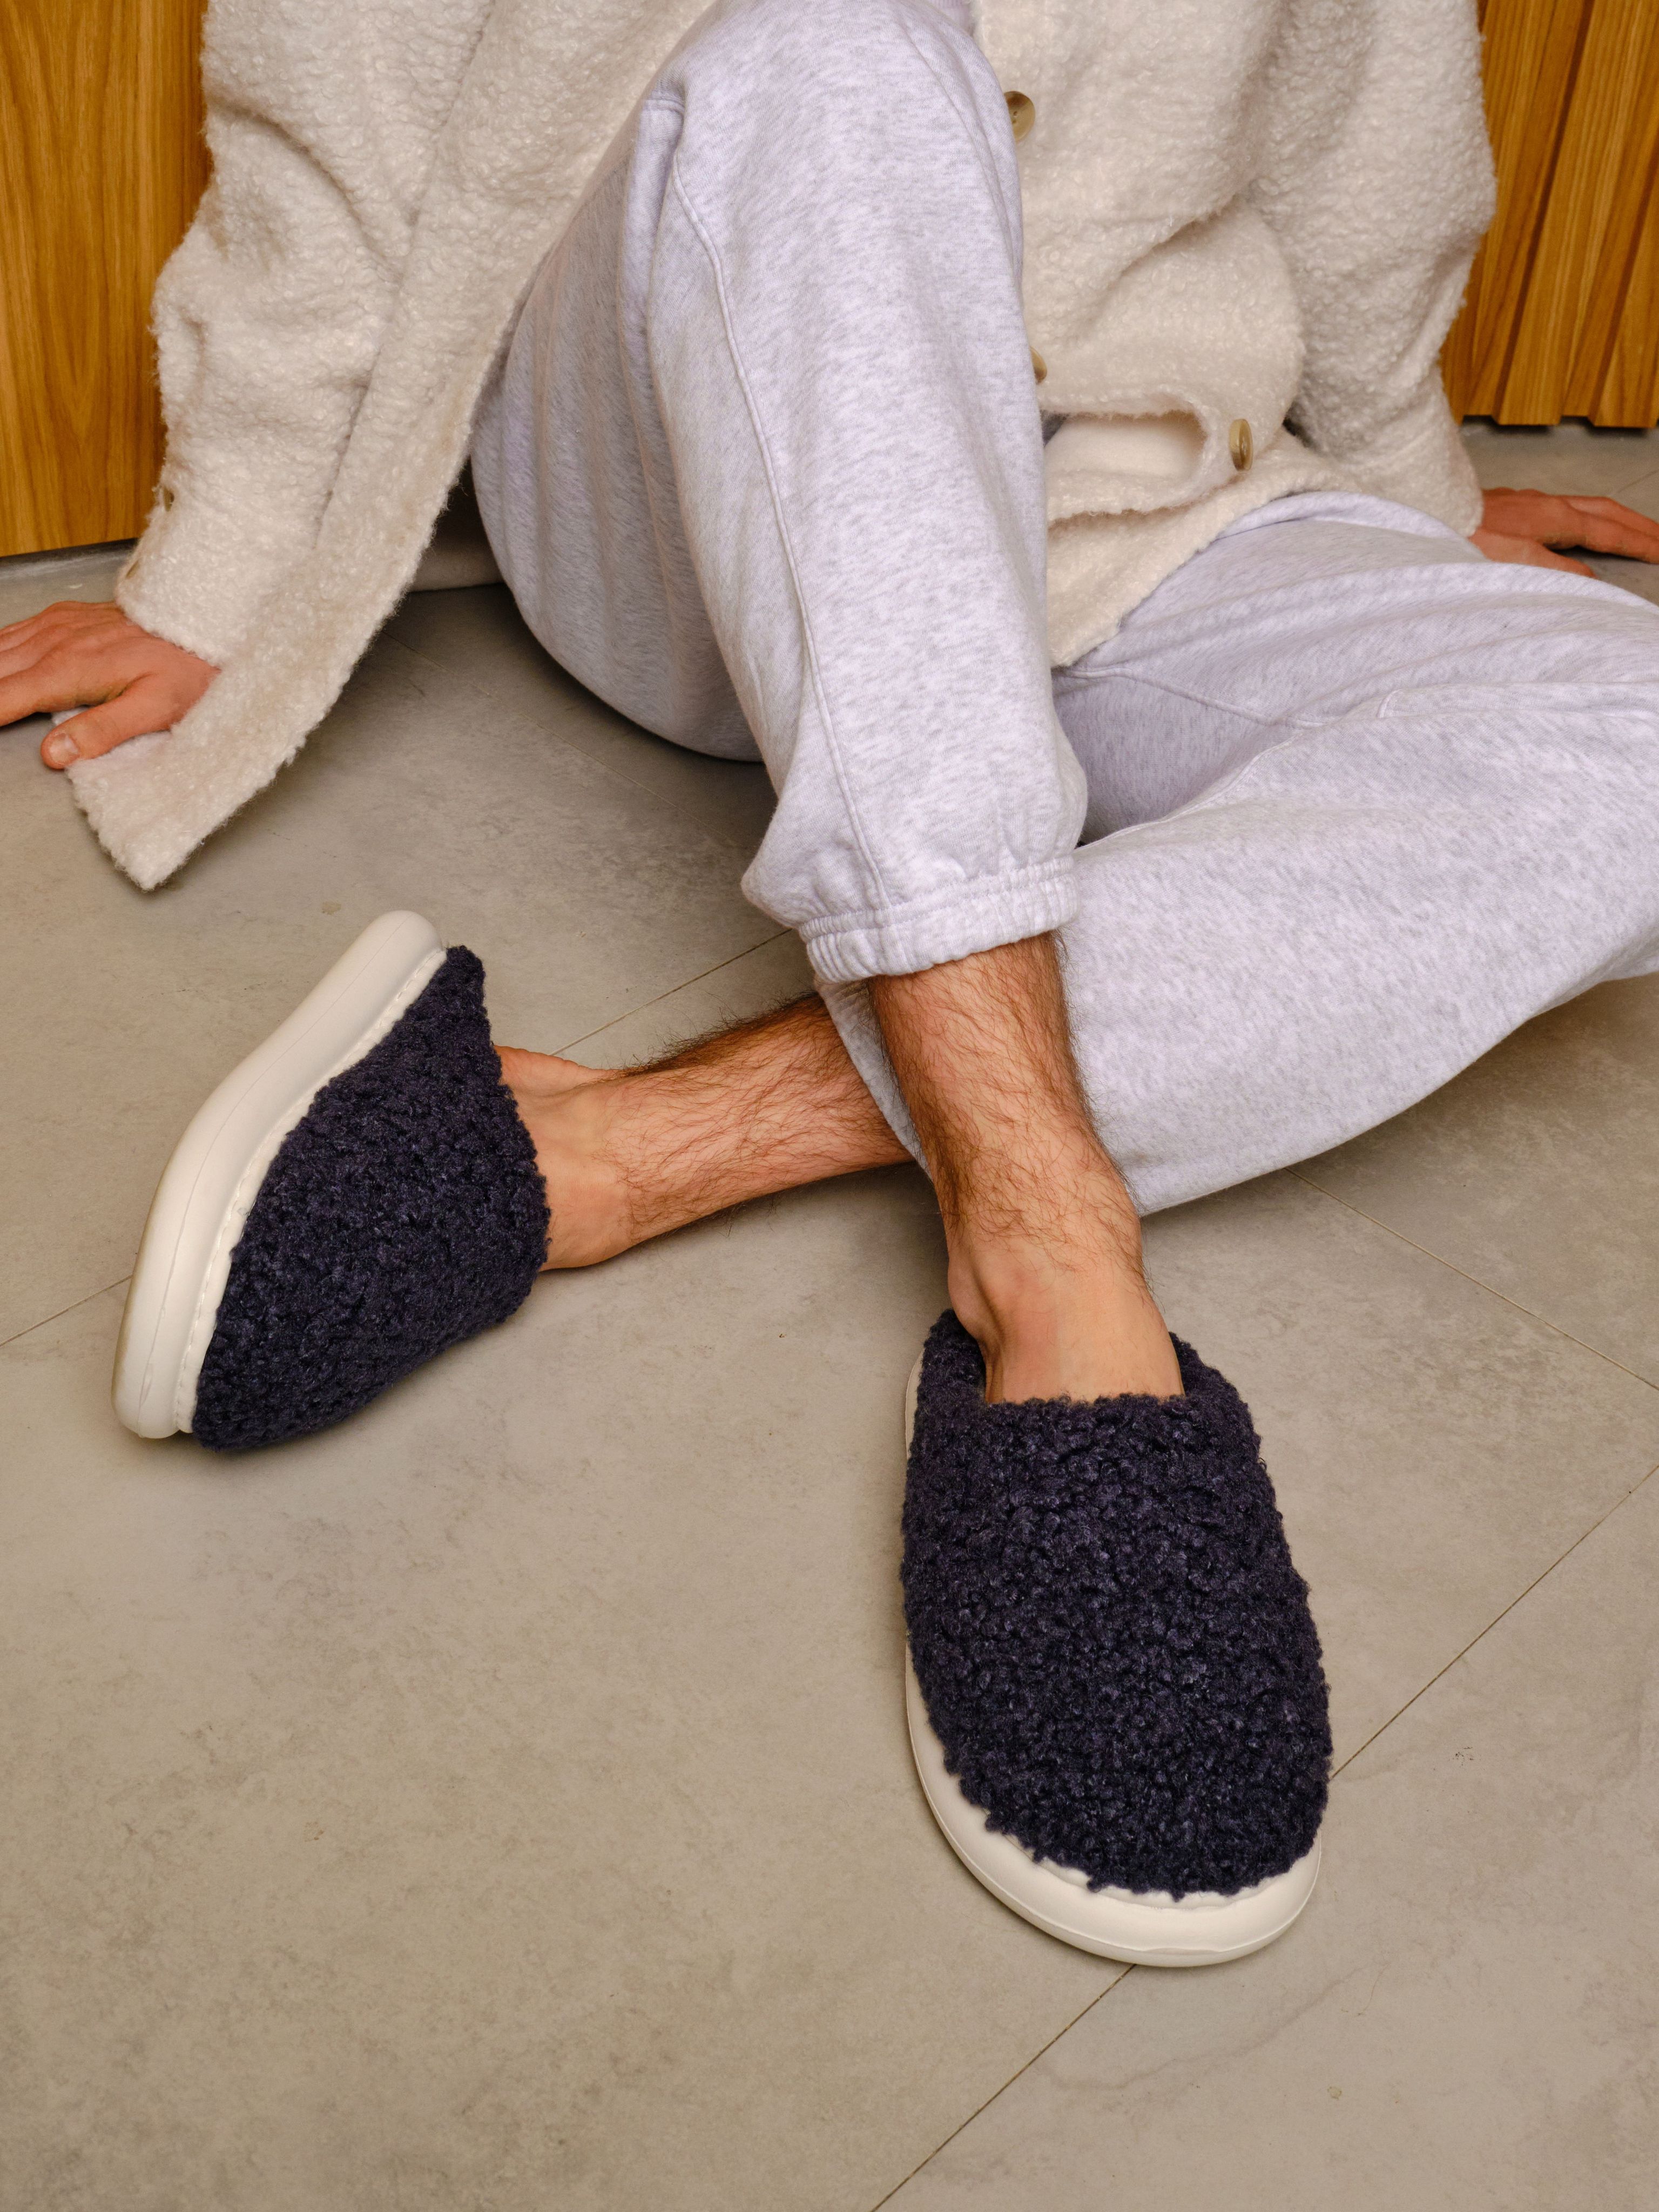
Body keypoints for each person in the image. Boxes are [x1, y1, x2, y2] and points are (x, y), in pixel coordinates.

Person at [5, 0, 1659, 1964]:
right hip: (678, 475)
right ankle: (1047, 1257)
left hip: (1145, 506)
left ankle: (621, 1147)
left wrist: (1415, 496)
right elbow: (343, 110)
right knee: (839, 44)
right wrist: (225, 561)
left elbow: (1366, 138)